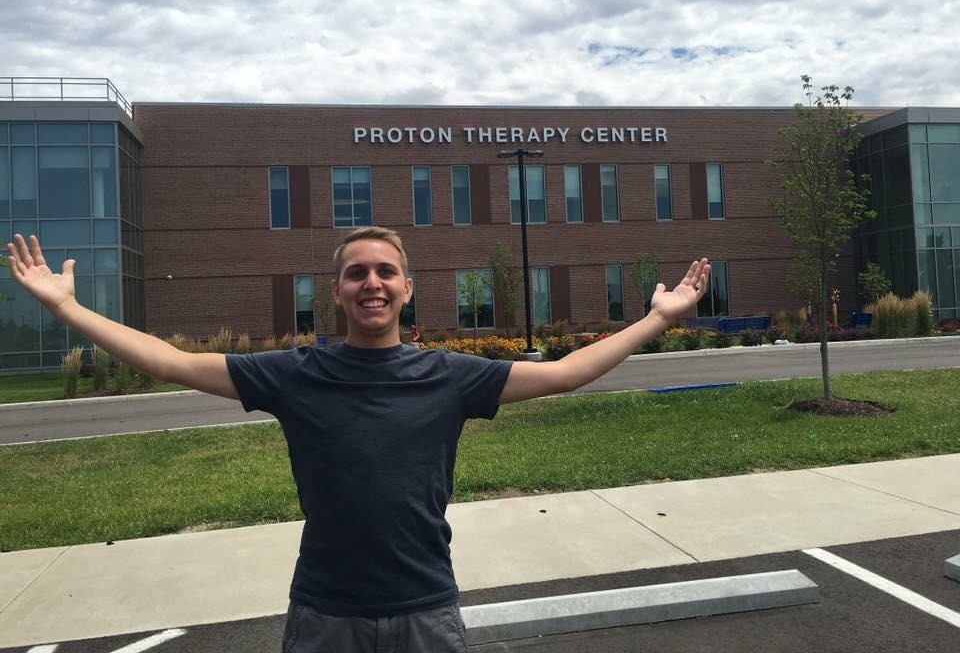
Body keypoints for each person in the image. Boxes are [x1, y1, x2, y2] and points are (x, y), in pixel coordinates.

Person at [6, 228, 709, 653]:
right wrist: (70, 310)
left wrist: (657, 319)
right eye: (356, 273)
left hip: (426, 608)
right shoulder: (294, 373)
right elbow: (168, 362)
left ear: (407, 288)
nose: (372, 282)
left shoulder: (450, 376)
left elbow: (564, 373)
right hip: (325, 612)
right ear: (337, 291)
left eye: (385, 271)